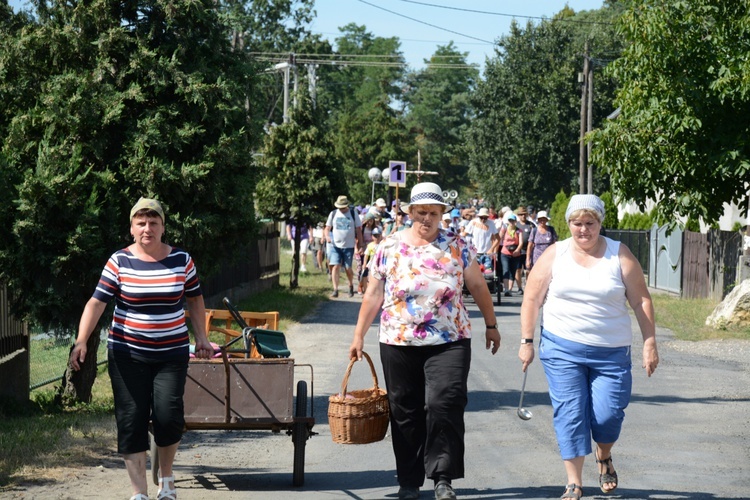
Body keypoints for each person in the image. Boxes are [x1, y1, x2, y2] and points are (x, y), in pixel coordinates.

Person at [348, 182, 501, 500]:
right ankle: (408, 480)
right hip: (398, 340)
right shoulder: (388, 247)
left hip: (450, 339)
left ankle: (443, 477)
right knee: (404, 409)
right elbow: (373, 293)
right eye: (421, 212)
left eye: (434, 213)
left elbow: (477, 286)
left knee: (444, 404)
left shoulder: (457, 245)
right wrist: (358, 335)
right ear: (410, 213)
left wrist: (491, 325)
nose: (427, 218)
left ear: (442, 214)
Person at [69, 197, 214, 500]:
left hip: (171, 354)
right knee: (131, 418)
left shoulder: (182, 260)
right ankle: (139, 493)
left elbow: (195, 300)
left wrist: (201, 337)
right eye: (141, 223)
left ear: (163, 227)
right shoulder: (119, 261)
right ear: (132, 228)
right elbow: (97, 303)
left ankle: (167, 480)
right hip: (126, 354)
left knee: (167, 415)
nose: (147, 228)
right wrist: (82, 340)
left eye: (153, 223)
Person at [518, 194, 659, 500]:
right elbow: (532, 297)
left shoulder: (619, 255)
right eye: (576, 223)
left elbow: (641, 299)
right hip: (561, 348)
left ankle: (604, 454)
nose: (583, 230)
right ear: (568, 223)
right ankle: (574, 481)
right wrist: (527, 341)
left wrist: (650, 342)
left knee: (608, 415)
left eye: (590, 223)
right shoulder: (555, 254)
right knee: (570, 413)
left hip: (611, 351)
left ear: (600, 223)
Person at [325, 195, 364, 298]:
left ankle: (350, 284)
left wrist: (360, 244)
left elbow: (359, 230)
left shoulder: (353, 213)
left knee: (348, 268)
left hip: (349, 246)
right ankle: (335, 289)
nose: (341, 209)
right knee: (335, 266)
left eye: (342, 207)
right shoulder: (333, 214)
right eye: (339, 207)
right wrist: (327, 237)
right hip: (335, 245)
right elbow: (327, 228)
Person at [462, 207, 499, 274]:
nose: (483, 219)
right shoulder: (473, 222)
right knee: (475, 273)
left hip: (487, 253)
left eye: (485, 218)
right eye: (481, 217)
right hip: (475, 253)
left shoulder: (491, 223)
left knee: (488, 273)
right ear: (478, 216)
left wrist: (492, 249)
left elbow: (498, 238)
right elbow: (464, 234)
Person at [498, 213, 523, 295]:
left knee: (513, 271)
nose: (511, 222)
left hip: (515, 253)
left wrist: (517, 250)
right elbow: (499, 238)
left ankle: (510, 289)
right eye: (510, 220)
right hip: (505, 252)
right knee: (506, 269)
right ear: (508, 221)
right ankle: (506, 289)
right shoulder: (504, 229)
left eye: (513, 220)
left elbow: (521, 242)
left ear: (515, 221)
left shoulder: (519, 230)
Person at [513, 206, 535, 294]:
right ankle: (519, 287)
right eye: (521, 215)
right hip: (518, 250)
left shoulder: (531, 225)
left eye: (524, 215)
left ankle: (527, 286)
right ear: (518, 215)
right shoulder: (516, 225)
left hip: (528, 251)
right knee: (518, 269)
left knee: (528, 269)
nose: (523, 216)